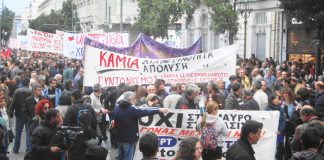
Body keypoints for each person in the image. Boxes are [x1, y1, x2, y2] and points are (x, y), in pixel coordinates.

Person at [114, 91, 168, 160]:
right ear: (130, 99)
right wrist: (159, 110)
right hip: (128, 139)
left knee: (120, 157)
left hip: (119, 138)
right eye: (134, 99)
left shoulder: (117, 106)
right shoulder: (131, 108)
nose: (135, 100)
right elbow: (144, 111)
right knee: (128, 158)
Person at [63, 89, 97, 160]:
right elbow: (94, 122)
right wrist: (92, 132)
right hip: (88, 138)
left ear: (73, 97)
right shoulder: (89, 107)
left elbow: (66, 125)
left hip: (75, 140)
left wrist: (68, 140)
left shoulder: (71, 108)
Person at [8, 77, 32, 153]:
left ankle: (16, 148)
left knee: (18, 132)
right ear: (28, 83)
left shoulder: (17, 91)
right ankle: (29, 148)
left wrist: (11, 112)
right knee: (29, 132)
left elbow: (13, 102)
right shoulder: (30, 91)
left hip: (19, 114)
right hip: (28, 114)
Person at [266, 95, 286, 160]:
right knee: (269, 147)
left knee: (280, 147)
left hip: (279, 133)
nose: (277, 100)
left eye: (278, 98)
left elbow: (283, 121)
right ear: (271, 100)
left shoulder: (281, 109)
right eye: (275, 98)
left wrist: (280, 130)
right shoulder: (267, 109)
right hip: (270, 133)